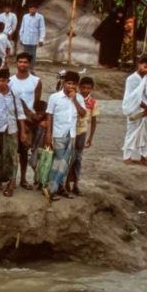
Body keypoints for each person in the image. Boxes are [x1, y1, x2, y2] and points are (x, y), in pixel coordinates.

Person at [43, 71, 87, 201]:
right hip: (58, 134)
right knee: (58, 162)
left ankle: (58, 188)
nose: (70, 86)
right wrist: (48, 134)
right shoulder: (54, 97)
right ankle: (51, 189)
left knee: (65, 163)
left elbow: (83, 113)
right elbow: (49, 116)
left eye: (73, 84)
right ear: (63, 83)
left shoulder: (78, 98)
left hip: (71, 134)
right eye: (68, 83)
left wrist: (74, 99)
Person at [0, 69, 21, 196]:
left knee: (12, 157)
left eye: (3, 80)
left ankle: (11, 183)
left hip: (12, 129)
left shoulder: (15, 95)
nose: (1, 83)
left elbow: (20, 114)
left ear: (8, 81)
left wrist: (22, 132)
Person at [9, 52, 42, 189]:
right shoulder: (10, 81)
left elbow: (37, 104)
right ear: (16, 63)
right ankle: (12, 179)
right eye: (20, 61)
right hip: (13, 119)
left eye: (25, 62)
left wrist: (32, 118)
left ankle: (23, 179)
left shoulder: (36, 81)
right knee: (12, 150)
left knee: (24, 151)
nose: (22, 64)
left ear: (29, 64)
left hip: (28, 121)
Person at [66, 76, 98, 195]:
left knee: (78, 158)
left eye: (88, 88)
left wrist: (90, 137)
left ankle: (76, 184)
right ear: (79, 87)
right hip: (70, 131)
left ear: (92, 89)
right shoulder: (74, 98)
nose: (85, 90)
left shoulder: (92, 102)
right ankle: (66, 183)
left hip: (82, 132)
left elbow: (94, 120)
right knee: (69, 157)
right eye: (83, 87)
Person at [121, 56, 147, 165]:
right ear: (139, 64)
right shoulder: (132, 79)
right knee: (132, 132)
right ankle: (126, 157)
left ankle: (143, 156)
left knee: (145, 133)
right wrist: (146, 107)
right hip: (135, 109)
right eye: (145, 66)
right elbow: (133, 97)